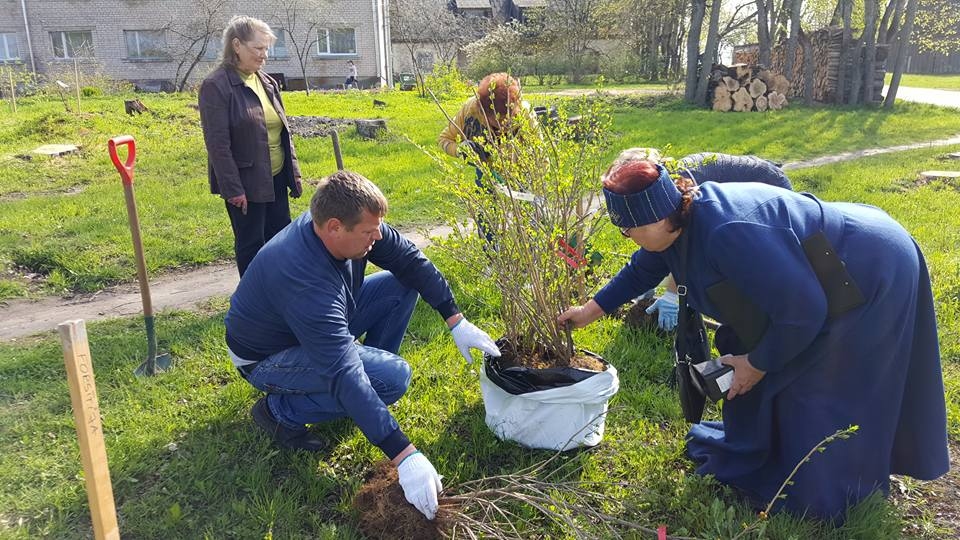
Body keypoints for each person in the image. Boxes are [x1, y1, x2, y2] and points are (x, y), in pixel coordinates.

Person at [558, 153, 949, 520]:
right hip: (815, 278)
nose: (625, 235)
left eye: (630, 228)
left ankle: (842, 490)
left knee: (826, 387)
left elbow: (803, 312)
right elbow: (640, 271)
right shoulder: (675, 224)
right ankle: (772, 453)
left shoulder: (728, 231)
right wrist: (589, 312)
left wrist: (757, 364)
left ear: (662, 216)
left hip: (866, 270)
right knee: (773, 365)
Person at [225, 170, 501, 520]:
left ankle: (369, 398)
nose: (378, 237)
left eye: (377, 228)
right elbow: (342, 371)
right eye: (369, 233)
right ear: (334, 227)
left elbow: (410, 262)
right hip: (266, 356)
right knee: (392, 377)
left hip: (312, 327)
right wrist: (404, 455)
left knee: (400, 286)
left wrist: (455, 320)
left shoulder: (350, 226)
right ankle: (278, 413)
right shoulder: (303, 279)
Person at [637, 149, 793, 330]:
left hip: (769, 186)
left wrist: (672, 295)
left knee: (759, 265)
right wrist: (646, 279)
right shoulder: (661, 189)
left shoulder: (678, 187)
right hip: (745, 194)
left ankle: (769, 326)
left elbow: (686, 248)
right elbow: (662, 239)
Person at [199, 16, 303, 277]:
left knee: (282, 241)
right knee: (252, 246)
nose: (264, 55)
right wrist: (234, 190)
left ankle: (281, 294)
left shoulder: (267, 82)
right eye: (258, 48)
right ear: (236, 45)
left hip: (276, 177)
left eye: (266, 48)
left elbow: (282, 132)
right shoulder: (216, 86)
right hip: (246, 185)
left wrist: (293, 175)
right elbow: (217, 145)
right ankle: (254, 303)